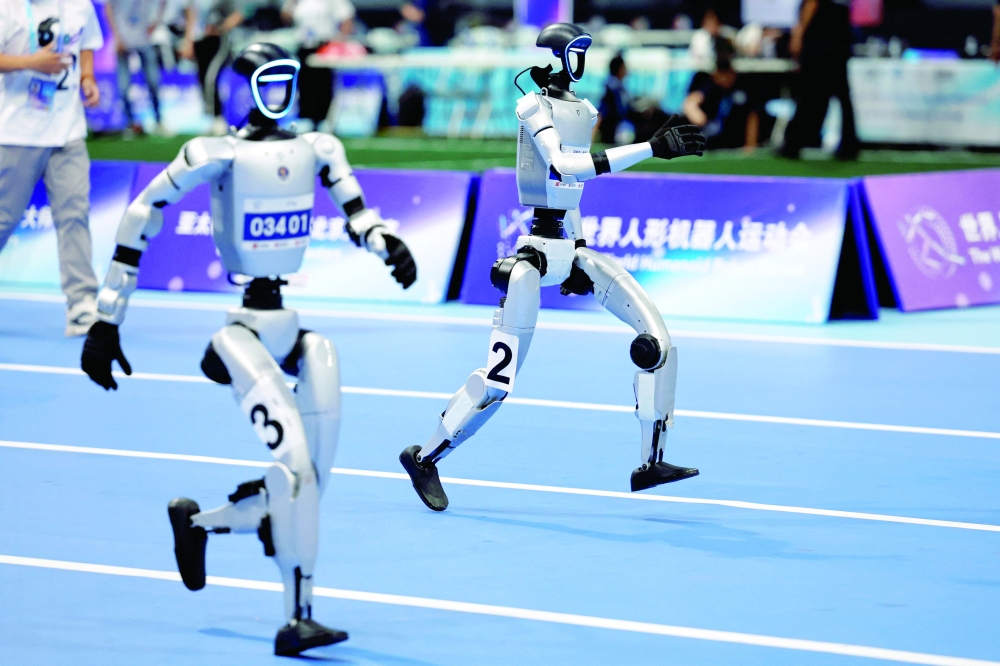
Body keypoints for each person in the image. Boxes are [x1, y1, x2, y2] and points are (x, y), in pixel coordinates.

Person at [80, 43, 416, 656]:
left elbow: (359, 210)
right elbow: (140, 213)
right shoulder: (215, 153)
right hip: (238, 334)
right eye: (267, 80)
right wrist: (107, 319)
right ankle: (298, 618)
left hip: (293, 325)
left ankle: (199, 524)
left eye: (286, 79)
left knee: (310, 478)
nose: (279, 92)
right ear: (239, 87)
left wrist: (385, 241)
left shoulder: (317, 147)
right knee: (295, 468)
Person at [398, 24, 705, 512]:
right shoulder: (532, 106)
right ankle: (426, 456)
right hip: (534, 254)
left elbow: (573, 192)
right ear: (557, 55)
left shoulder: (583, 110)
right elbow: (565, 166)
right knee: (499, 381)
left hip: (570, 246)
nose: (581, 60)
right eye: (575, 52)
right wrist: (650, 148)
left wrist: (579, 248)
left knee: (657, 343)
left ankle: (652, 461)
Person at [0, 0, 103, 337]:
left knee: (75, 214)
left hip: (68, 130)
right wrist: (32, 63)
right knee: (3, 219)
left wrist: (87, 77)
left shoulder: (79, 5)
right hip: (14, 133)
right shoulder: (7, 7)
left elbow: (86, 43)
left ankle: (82, 303)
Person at [781, 0, 858, 159]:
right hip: (839, 35)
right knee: (841, 95)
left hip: (821, 38)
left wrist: (799, 35)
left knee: (809, 93)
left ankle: (793, 143)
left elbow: (812, 3)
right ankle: (849, 145)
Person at [282, 0, 356, 130]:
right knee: (305, 83)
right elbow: (286, 17)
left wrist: (340, 39)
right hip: (304, 45)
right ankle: (306, 117)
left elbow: (347, 16)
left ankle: (323, 119)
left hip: (324, 44)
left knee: (323, 83)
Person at [682, 37, 759, 150]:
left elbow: (752, 117)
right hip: (711, 141)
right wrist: (695, 112)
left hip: (735, 142)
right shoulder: (709, 84)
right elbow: (691, 102)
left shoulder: (744, 85)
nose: (723, 79)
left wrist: (750, 145)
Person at [106, 0, 167, 136]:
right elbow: (108, 9)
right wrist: (116, 37)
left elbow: (164, 2)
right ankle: (131, 124)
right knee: (123, 86)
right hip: (123, 40)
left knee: (153, 82)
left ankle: (159, 121)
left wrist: (157, 22)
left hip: (145, 40)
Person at [596, 53, 630, 144]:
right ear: (619, 69)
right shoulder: (614, 86)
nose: (627, 71)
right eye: (624, 68)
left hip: (612, 124)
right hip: (610, 126)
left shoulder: (614, 84)